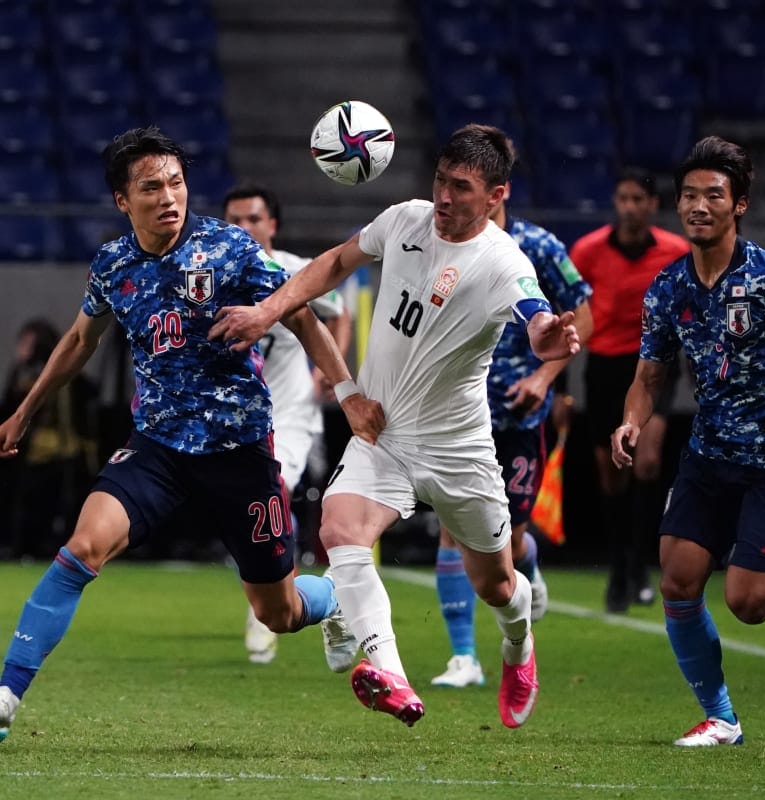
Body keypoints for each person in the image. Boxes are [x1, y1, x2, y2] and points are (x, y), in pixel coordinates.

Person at [0, 126, 381, 744]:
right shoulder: (114, 264)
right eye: (151, 186)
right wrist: (24, 412)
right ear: (124, 201)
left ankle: (331, 598)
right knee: (80, 550)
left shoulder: (228, 249)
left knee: (276, 613)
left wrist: (348, 393)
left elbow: (301, 314)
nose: (169, 196)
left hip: (239, 453)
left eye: (176, 182)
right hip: (157, 449)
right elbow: (77, 343)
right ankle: (7, 693)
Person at [208, 123, 581, 729]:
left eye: (462, 187)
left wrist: (546, 338)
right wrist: (267, 310)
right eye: (440, 180)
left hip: (458, 449)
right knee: (340, 529)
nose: (445, 197)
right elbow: (332, 263)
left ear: (495, 195)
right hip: (385, 434)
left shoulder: (502, 262)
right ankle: (393, 676)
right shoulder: (405, 219)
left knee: (497, 584)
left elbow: (535, 316)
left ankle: (519, 647)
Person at [611, 135, 765, 746]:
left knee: (747, 602)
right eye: (689, 195)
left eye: (712, 195)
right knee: (678, 579)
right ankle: (722, 718)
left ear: (738, 204)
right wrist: (632, 421)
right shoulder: (667, 288)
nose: (698, 205)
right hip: (708, 456)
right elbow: (650, 374)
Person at [431, 181, 593, 688]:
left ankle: (530, 561)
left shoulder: (539, 247)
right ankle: (464, 658)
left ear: (497, 192)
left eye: (468, 186)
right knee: (453, 529)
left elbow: (584, 313)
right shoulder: (443, 244)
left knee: (510, 540)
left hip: (518, 417)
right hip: (458, 416)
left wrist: (544, 379)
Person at [223, 182, 353, 665]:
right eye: (234, 220)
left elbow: (338, 314)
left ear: (272, 224)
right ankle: (304, 597)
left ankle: (268, 612)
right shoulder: (213, 273)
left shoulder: (296, 271)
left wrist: (327, 370)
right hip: (233, 415)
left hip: (290, 411)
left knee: (275, 489)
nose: (243, 228)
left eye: (253, 219)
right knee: (240, 507)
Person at [569, 167, 690, 613]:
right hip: (604, 368)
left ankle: (640, 568)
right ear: (615, 202)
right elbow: (572, 310)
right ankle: (618, 567)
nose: (630, 207)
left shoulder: (675, 252)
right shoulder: (589, 250)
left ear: (652, 205)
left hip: (657, 364)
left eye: (639, 199)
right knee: (611, 472)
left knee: (649, 463)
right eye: (623, 198)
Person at [0, 319, 99, 560]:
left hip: (63, 452)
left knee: (62, 505)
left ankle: (50, 548)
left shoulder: (69, 379)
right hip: (36, 452)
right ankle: (23, 546)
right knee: (29, 503)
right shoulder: (26, 380)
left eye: (27, 344)